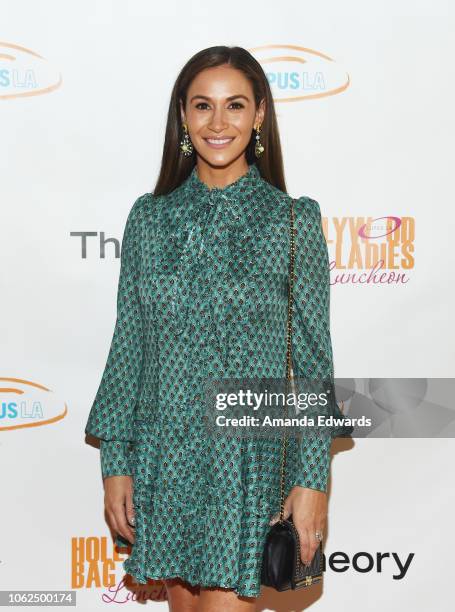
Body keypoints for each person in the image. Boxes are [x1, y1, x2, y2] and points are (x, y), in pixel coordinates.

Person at [85, 45, 345, 611]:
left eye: (235, 106)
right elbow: (129, 349)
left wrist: (311, 482)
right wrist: (116, 464)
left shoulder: (292, 221)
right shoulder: (149, 219)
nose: (218, 122)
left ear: (259, 116)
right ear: (184, 116)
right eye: (203, 106)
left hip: (246, 466)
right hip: (165, 457)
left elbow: (314, 366)